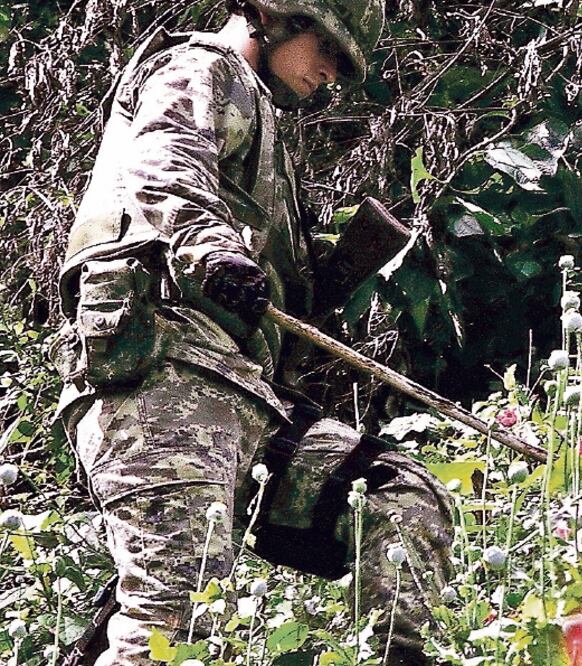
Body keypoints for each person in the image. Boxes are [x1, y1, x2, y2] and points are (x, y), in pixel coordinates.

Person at [50, 1, 455, 664]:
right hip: (163, 383)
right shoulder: (198, 67)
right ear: (271, 15)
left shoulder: (258, 119)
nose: (330, 72)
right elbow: (163, 158)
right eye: (325, 45)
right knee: (172, 623)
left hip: (246, 402)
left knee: (400, 502)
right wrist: (211, 249)